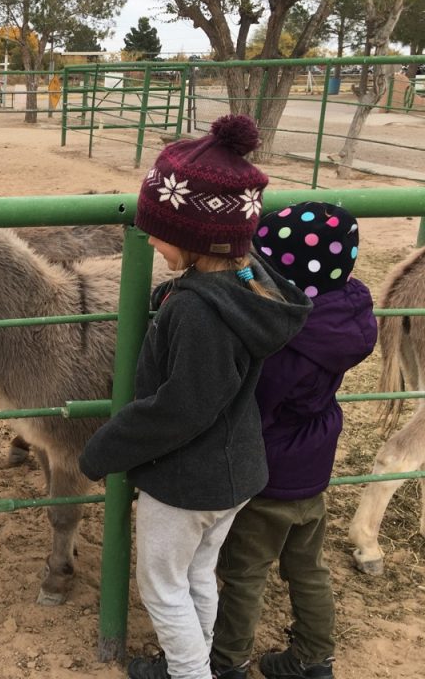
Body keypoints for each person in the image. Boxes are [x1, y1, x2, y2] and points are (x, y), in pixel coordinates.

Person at [78, 114, 312, 679]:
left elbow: (182, 405)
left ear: (193, 237)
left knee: (162, 587)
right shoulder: (246, 285)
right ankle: (201, 663)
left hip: (188, 482)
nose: (148, 237)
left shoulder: (196, 312)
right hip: (233, 474)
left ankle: (189, 672)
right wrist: (177, 289)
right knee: (198, 575)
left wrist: (104, 449)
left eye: (157, 229)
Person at [210, 202, 377, 679]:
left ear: (285, 274)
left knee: (244, 572)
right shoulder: (342, 316)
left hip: (269, 476)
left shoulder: (287, 342)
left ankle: (227, 661)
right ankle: (313, 657)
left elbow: (256, 408)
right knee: (308, 568)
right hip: (313, 468)